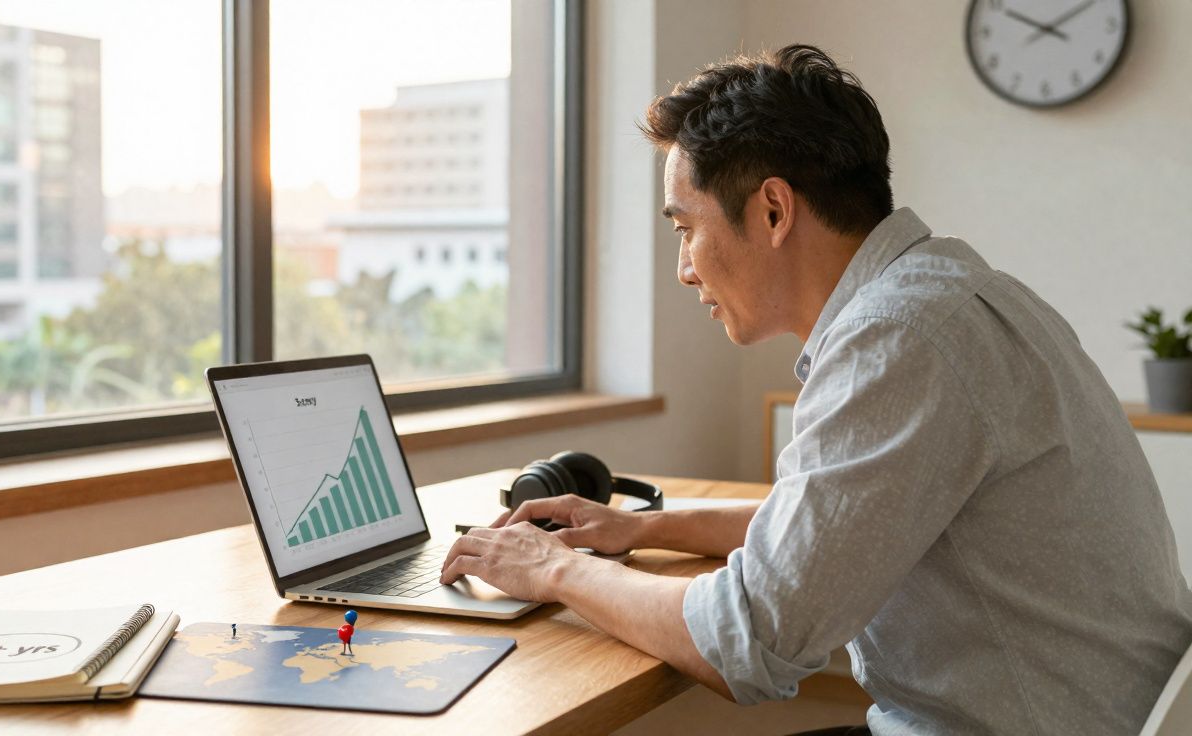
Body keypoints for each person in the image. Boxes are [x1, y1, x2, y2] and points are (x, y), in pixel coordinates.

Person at [439, 44, 1192, 734]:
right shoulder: (950, 296)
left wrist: (552, 568)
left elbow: (748, 639)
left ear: (773, 210)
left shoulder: (900, 338)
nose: (685, 270)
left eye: (685, 229)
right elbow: (833, 525)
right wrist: (642, 528)